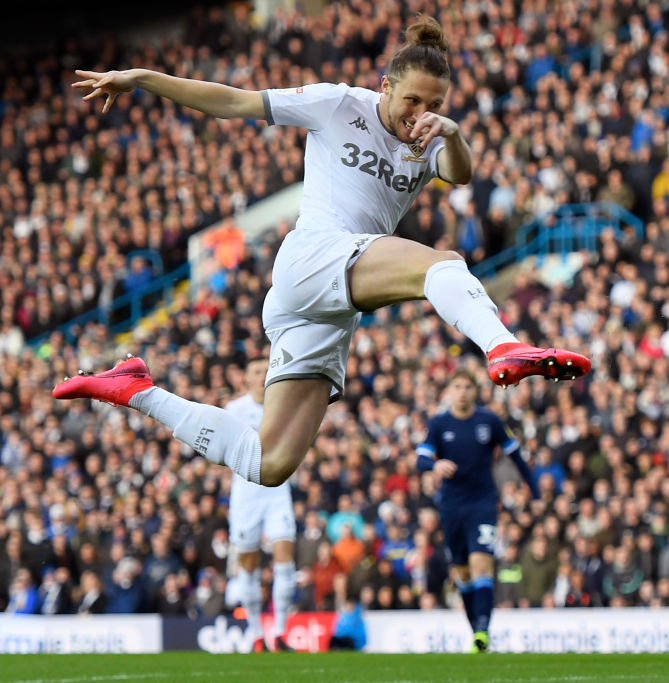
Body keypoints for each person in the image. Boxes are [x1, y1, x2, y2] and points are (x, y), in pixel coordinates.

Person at [54, 17, 590, 492]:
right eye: (412, 100)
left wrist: (451, 131)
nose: (421, 114)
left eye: (436, 106)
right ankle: (503, 346)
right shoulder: (338, 104)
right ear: (385, 87)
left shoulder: (431, 144)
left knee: (268, 463)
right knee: (444, 264)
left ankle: (136, 389)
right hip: (313, 258)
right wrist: (143, 79)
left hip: (328, 304)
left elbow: (462, 172)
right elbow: (233, 101)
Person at [415, 370, 539, 653]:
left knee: (481, 564)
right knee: (462, 572)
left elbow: (516, 456)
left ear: (475, 390)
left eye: (467, 386)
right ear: (449, 390)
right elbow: (420, 458)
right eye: (456, 386)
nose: (462, 391)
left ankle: (482, 630)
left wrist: (536, 492)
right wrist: (434, 465)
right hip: (451, 506)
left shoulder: (489, 421)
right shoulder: (439, 423)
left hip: (482, 503)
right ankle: (477, 632)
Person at [224, 356, 297, 653]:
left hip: (278, 490)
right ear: (246, 378)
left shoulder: (283, 406)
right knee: (249, 565)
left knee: (285, 558)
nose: (263, 375)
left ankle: (279, 632)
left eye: (266, 370)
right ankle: (256, 633)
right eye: (256, 371)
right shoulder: (234, 409)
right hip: (246, 494)